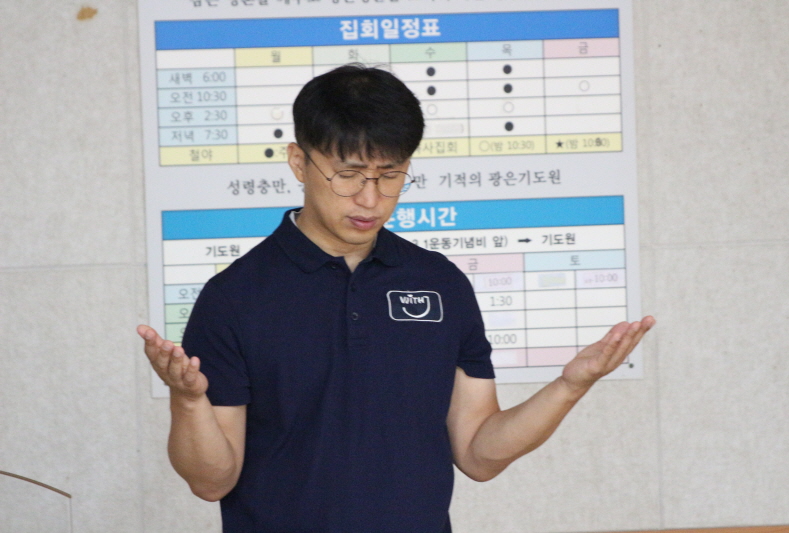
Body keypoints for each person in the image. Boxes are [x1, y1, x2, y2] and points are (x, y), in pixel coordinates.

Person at [138, 64, 655, 532]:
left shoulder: (441, 283)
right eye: (347, 176)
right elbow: (211, 481)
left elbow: (478, 453)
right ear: (298, 161)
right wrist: (189, 401)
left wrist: (569, 386)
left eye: (390, 176)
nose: (370, 199)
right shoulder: (235, 297)